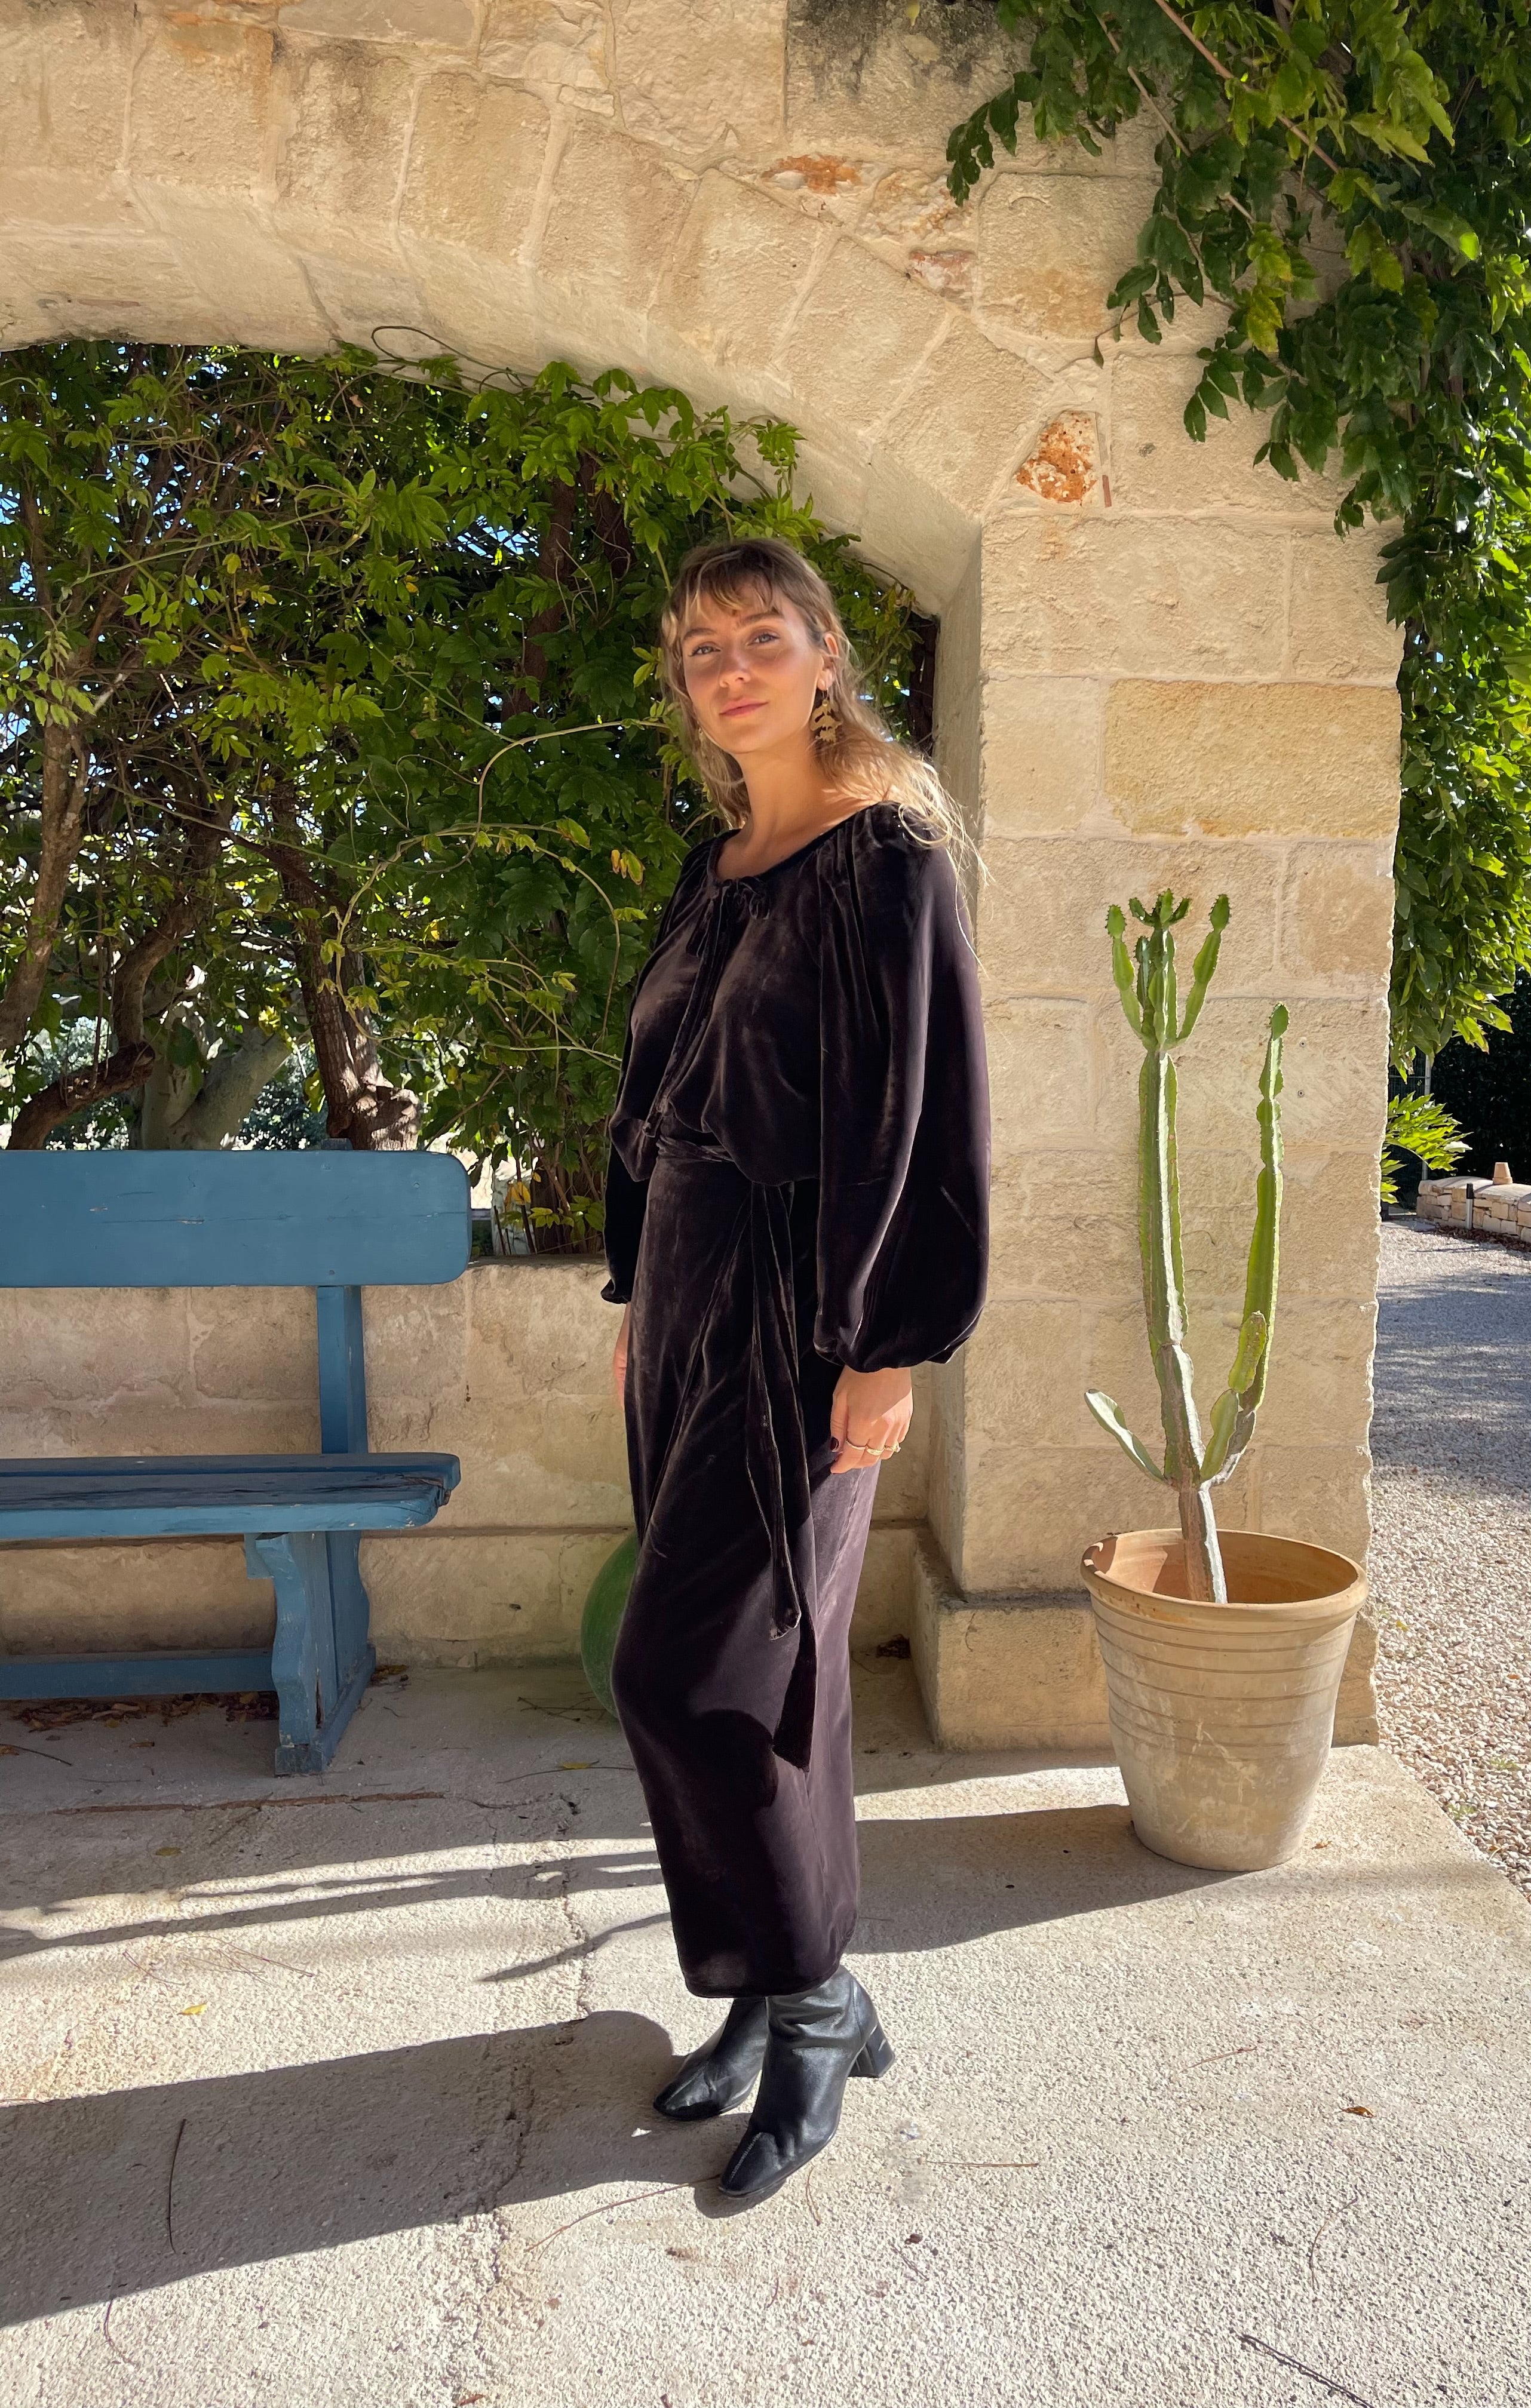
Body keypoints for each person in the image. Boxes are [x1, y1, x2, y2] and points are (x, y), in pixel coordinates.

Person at [599, 533, 991, 2206]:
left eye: (762, 638)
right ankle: (776, 1982)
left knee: (691, 1677)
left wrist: (890, 1346)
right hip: (687, 1297)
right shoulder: (719, 865)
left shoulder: (887, 855)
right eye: (702, 650)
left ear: (828, 657)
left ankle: (819, 2001)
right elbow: (657, 1096)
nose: (730, 670)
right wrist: (639, 1288)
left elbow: (928, 1115)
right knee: (771, 1686)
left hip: (801, 1309)